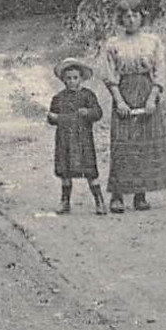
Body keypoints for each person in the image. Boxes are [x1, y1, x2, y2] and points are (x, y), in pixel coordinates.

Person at [100, 0, 166, 213]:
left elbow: (160, 70)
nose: (131, 20)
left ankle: (140, 195)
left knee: (144, 144)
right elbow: (109, 75)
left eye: (135, 15)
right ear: (120, 19)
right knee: (123, 144)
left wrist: (152, 98)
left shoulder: (153, 41)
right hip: (123, 91)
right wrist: (119, 100)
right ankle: (117, 195)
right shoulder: (113, 44)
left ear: (142, 17)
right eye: (126, 16)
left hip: (147, 90)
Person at [47, 57, 106, 215]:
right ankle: (65, 201)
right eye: (68, 78)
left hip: (83, 139)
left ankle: (99, 201)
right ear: (63, 80)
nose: (71, 81)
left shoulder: (88, 95)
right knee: (65, 170)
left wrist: (88, 112)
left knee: (90, 170)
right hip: (64, 139)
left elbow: (98, 113)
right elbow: (52, 117)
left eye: (75, 78)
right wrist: (52, 117)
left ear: (81, 78)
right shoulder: (58, 98)